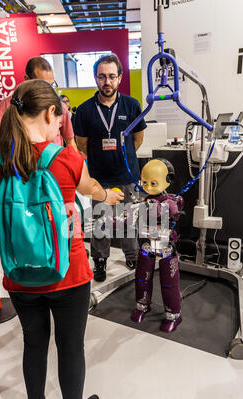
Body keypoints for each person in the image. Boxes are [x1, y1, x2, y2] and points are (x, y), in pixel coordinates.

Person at [0, 79, 124, 399]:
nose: (61, 126)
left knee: (33, 342)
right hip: (69, 274)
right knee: (71, 346)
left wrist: (14, 248)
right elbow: (91, 189)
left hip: (20, 277)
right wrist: (108, 195)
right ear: (51, 113)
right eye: (60, 117)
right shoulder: (67, 159)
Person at [74, 53, 147, 282]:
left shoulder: (132, 105)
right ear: (96, 78)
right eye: (102, 76)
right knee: (100, 222)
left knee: (128, 219)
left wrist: (120, 157)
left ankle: (132, 254)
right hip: (99, 179)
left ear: (120, 78)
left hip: (127, 175)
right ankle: (100, 260)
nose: (107, 81)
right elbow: (82, 145)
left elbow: (138, 139)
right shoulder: (85, 110)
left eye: (112, 76)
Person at [0, 57, 77, 151]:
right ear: (27, 78)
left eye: (51, 85)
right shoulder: (10, 104)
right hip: (18, 165)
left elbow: (70, 141)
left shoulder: (59, 106)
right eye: (41, 84)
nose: (47, 90)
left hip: (53, 165)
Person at [131, 158, 184, 333]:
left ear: (167, 180)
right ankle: (142, 305)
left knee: (168, 283)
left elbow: (173, 211)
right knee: (141, 277)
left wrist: (151, 206)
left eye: (153, 183)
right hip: (147, 244)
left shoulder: (169, 201)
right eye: (145, 182)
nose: (148, 186)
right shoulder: (143, 201)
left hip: (166, 247)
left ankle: (173, 314)